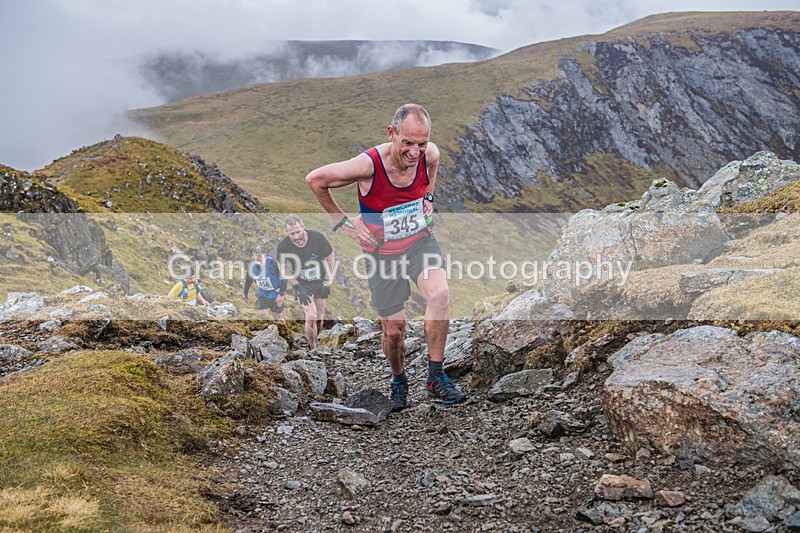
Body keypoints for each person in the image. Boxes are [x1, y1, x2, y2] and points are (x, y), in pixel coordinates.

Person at [305, 103, 465, 412]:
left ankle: (435, 377)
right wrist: (345, 225)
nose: (415, 151)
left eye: (421, 143)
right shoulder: (368, 166)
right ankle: (399, 379)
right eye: (408, 143)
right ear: (392, 134)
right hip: (382, 254)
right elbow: (315, 180)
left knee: (440, 294)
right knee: (394, 331)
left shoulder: (428, 155)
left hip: (420, 243)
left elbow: (434, 162)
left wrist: (427, 198)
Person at [276, 214, 334, 349]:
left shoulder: (317, 238)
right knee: (311, 315)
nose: (296, 237)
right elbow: (283, 268)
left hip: (320, 280)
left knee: (319, 317)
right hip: (303, 284)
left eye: (297, 232)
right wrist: (297, 286)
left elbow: (330, 258)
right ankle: (313, 348)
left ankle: (316, 338)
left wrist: (327, 280)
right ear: (286, 232)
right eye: (292, 234)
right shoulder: (283, 246)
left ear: (303, 227)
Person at [243, 245, 287, 323]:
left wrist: (281, 294)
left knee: (278, 319)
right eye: (256, 254)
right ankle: (267, 334)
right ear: (253, 255)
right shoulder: (251, 265)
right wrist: (245, 293)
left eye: (261, 255)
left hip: (275, 293)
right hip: (262, 293)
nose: (259, 258)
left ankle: (283, 333)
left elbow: (284, 277)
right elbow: (249, 279)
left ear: (265, 255)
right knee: (264, 318)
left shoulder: (273, 263)